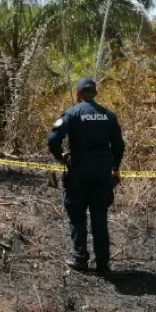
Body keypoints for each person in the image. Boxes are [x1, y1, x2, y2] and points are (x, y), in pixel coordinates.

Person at [47, 77, 125, 274]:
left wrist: (61, 157)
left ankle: (80, 258)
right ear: (95, 94)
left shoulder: (72, 114)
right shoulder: (109, 116)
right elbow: (119, 145)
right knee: (99, 217)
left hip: (78, 175)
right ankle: (102, 264)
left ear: (78, 94)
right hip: (101, 176)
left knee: (77, 217)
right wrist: (115, 168)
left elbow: (53, 138)